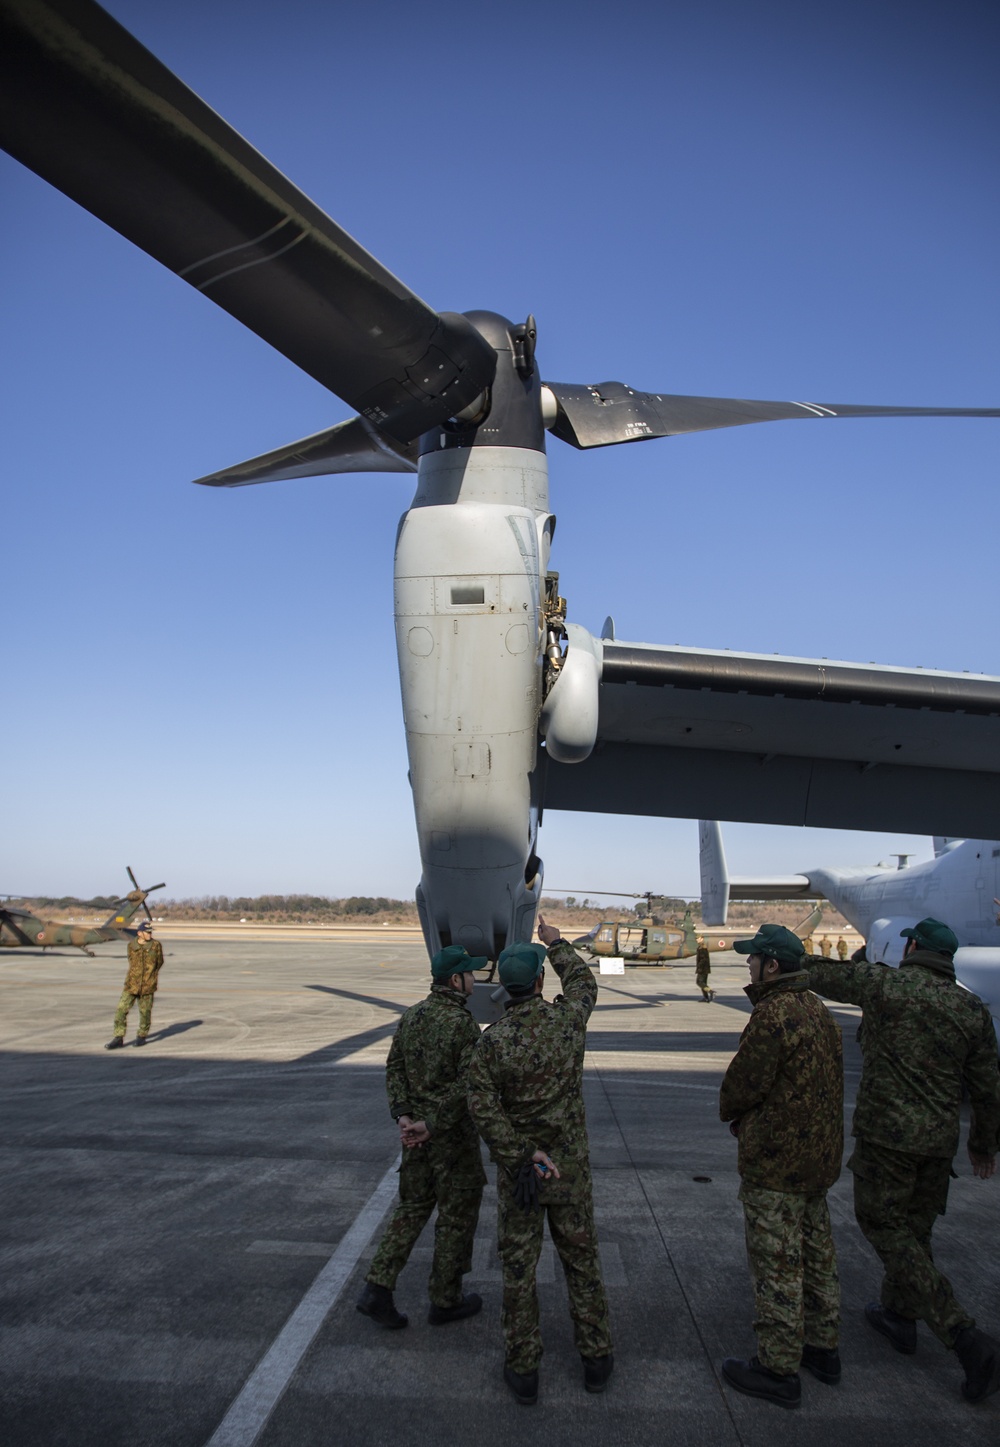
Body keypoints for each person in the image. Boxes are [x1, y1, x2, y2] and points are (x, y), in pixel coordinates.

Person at [805, 918, 1000, 1403]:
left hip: (888, 1139)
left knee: (884, 1226)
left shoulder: (888, 985)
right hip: (938, 1144)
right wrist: (983, 1144)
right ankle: (899, 1316)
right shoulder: (972, 1008)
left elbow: (828, 977)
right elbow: (989, 1087)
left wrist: (793, 958)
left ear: (912, 947)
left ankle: (965, 1337)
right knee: (916, 1231)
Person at [466, 915, 613, 1405]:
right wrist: (556, 943)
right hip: (569, 1174)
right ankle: (596, 1361)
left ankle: (525, 1370)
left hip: (523, 1178)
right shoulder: (568, 1022)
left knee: (519, 1271)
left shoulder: (492, 1043)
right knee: (582, 1264)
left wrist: (521, 1154)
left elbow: (482, 1109)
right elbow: (584, 982)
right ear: (539, 982)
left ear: (504, 988)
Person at [719, 924, 844, 1409]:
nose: (748, 964)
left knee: (777, 1264)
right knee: (818, 1256)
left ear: (772, 966)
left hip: (777, 1166)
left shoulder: (774, 1015)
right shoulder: (819, 1011)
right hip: (818, 1161)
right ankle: (822, 1348)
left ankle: (777, 1367)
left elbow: (743, 1084)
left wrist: (738, 1116)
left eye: (754, 959)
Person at [357, 944, 487, 1329]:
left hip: (415, 1138)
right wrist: (432, 1124)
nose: (475, 979)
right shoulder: (462, 1024)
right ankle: (445, 1300)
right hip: (451, 1141)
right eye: (470, 973)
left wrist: (404, 1115)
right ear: (455, 981)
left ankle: (377, 1288)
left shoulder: (412, 1016)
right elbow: (469, 1085)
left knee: (412, 1209)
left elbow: (394, 1067)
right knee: (456, 1218)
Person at [104, 920, 164, 1048]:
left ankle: (142, 1036)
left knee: (145, 1012)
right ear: (139, 933)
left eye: (150, 932)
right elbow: (131, 961)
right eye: (147, 932)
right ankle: (118, 1037)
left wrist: (150, 976)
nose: (149, 934)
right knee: (121, 1010)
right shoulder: (131, 945)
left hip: (147, 985)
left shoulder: (156, 946)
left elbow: (159, 962)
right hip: (131, 985)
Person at [695, 937, 714, 1001]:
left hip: (703, 969)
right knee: (703, 983)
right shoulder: (701, 947)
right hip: (705, 968)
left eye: (698, 938)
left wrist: (699, 967)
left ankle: (710, 991)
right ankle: (706, 998)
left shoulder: (702, 948)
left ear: (702, 939)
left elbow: (703, 959)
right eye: (696, 938)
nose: (697, 940)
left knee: (699, 982)